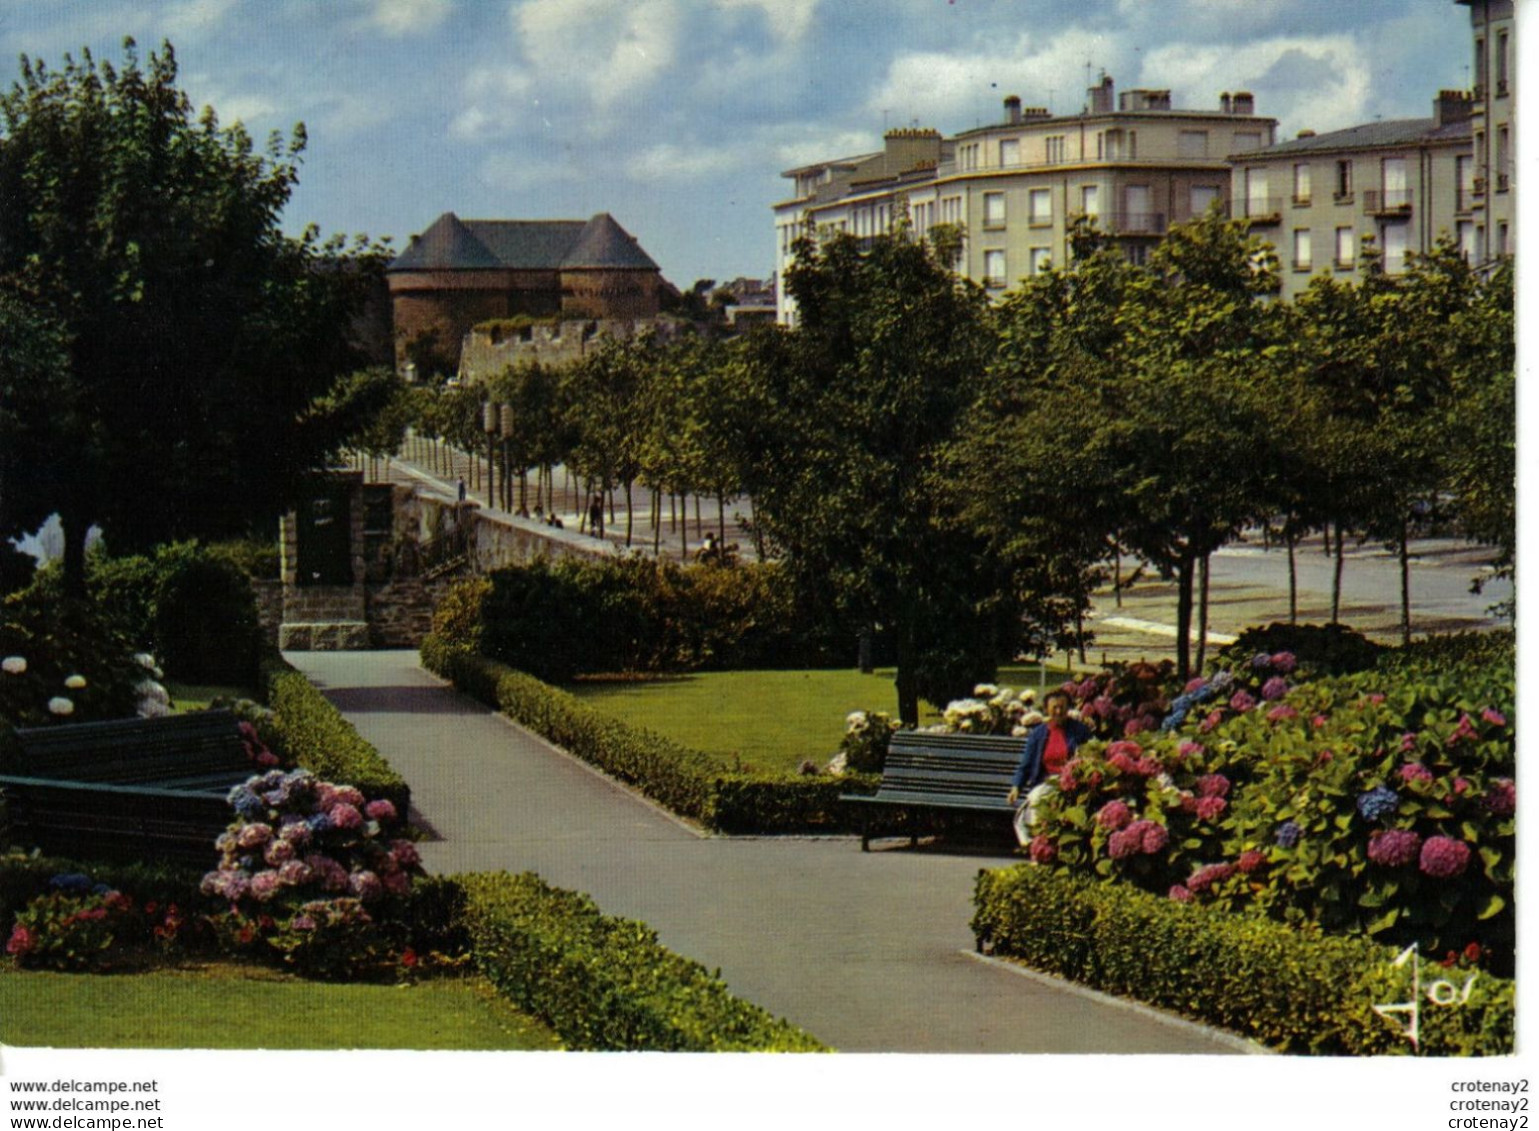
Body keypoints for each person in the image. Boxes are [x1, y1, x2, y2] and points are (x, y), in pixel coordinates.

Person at [1006, 688, 1091, 846]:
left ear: (1068, 708)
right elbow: (1026, 764)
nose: (1058, 711)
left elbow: (1090, 757)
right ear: (1046, 709)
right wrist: (1016, 787)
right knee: (1035, 801)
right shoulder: (1038, 733)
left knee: (1039, 799)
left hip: (1072, 783)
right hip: (1046, 782)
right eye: (1054, 708)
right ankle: (1037, 845)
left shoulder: (1080, 731)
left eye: (1062, 707)